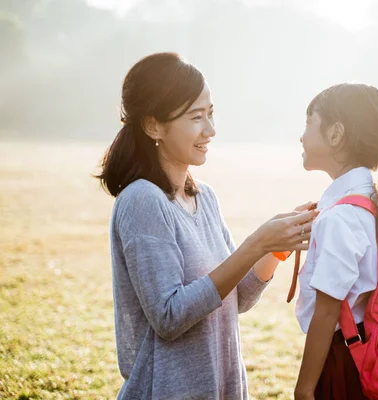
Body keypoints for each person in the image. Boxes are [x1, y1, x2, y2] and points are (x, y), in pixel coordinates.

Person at [95, 52, 317, 400]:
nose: (210, 130)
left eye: (211, 114)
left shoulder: (205, 197)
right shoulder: (142, 201)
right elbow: (169, 316)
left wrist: (277, 244)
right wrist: (255, 244)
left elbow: (237, 297)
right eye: (197, 117)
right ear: (154, 125)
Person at [293, 83, 378, 400]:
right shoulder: (370, 200)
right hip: (367, 347)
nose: (301, 136)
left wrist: (303, 390)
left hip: (343, 359)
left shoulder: (339, 218)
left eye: (308, 123)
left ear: (335, 135)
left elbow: (327, 312)